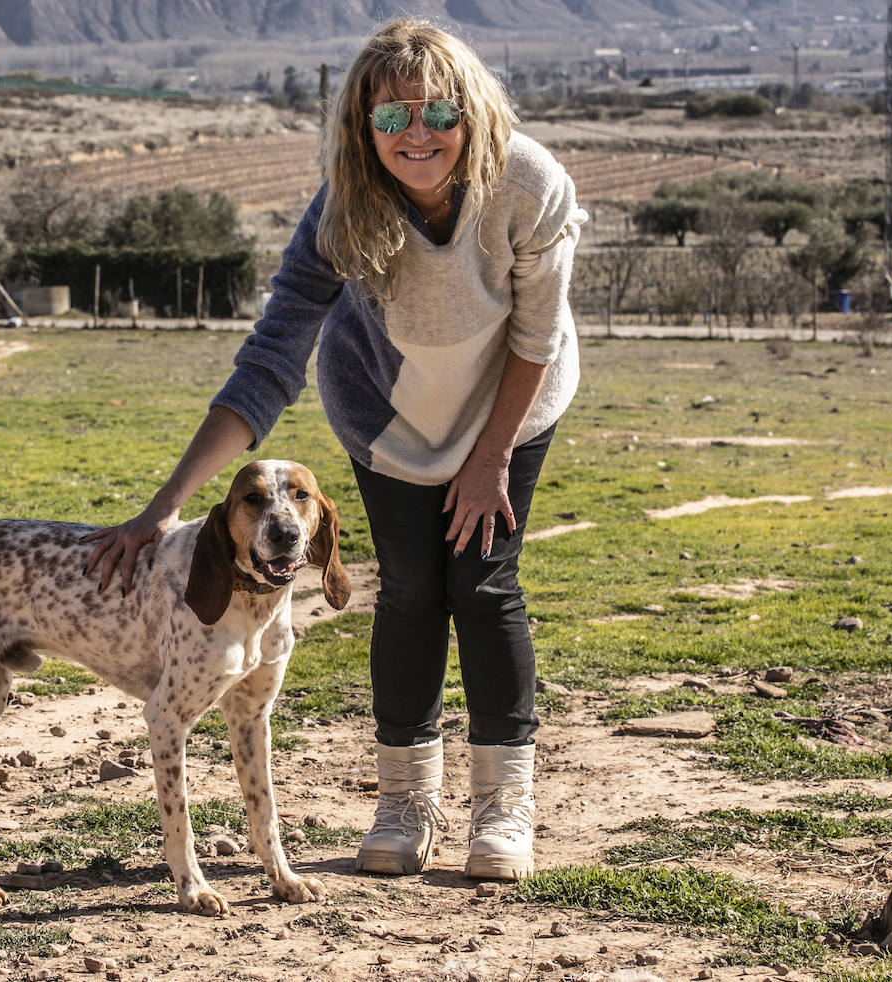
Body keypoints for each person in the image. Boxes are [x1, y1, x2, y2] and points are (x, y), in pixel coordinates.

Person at [84, 16, 585, 881]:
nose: (414, 135)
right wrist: (167, 503)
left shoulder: (527, 183)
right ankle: (404, 802)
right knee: (413, 587)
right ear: (362, 130)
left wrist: (490, 456)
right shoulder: (343, 205)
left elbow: (536, 337)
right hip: (387, 417)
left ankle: (503, 807)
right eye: (389, 120)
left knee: (482, 576)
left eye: (435, 113)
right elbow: (272, 359)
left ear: (474, 111)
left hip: (514, 400)